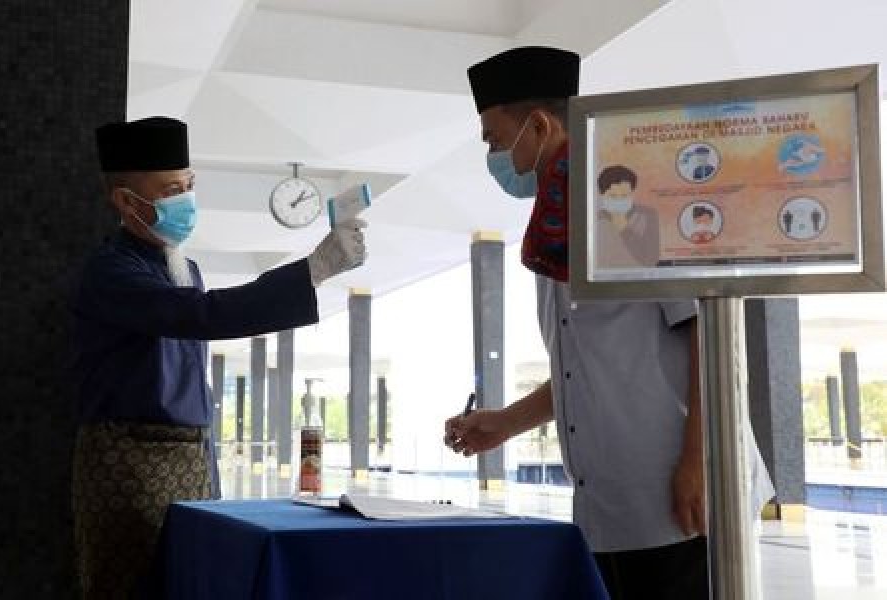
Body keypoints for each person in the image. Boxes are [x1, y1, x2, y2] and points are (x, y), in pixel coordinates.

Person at [444, 47, 772, 600]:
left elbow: (709, 337)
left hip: (681, 499)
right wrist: (506, 423)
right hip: (609, 506)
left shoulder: (633, 208)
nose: (496, 155)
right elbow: (585, 368)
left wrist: (700, 463)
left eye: (496, 139)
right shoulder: (553, 231)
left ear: (540, 125)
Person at [70, 116, 366, 599]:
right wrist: (312, 270)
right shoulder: (110, 271)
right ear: (125, 201)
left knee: (194, 582)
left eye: (189, 185)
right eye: (170, 189)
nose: (185, 199)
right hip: (129, 461)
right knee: (133, 588)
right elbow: (202, 316)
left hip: (193, 453)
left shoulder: (185, 267)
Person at [595, 165, 660, 267]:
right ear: (602, 195)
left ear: (632, 193)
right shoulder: (596, 219)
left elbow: (651, 259)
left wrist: (625, 230)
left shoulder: (648, 215)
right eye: (613, 196)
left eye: (624, 195)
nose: (619, 200)